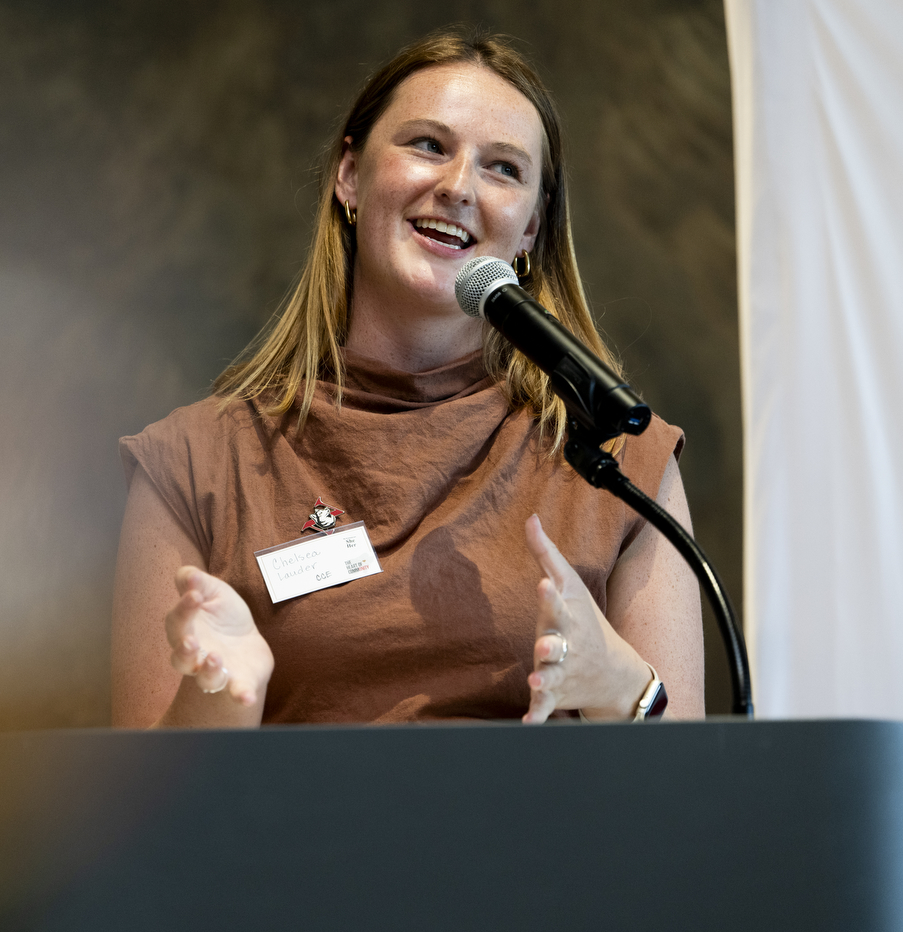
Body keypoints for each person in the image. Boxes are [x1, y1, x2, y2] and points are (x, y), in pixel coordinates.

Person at [111, 28, 704, 729]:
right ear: (350, 177)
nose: (457, 187)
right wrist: (219, 700)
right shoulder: (194, 465)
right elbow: (154, 831)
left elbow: (685, 814)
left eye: (504, 168)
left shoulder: (619, 461)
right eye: (428, 145)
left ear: (530, 232)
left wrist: (622, 692)